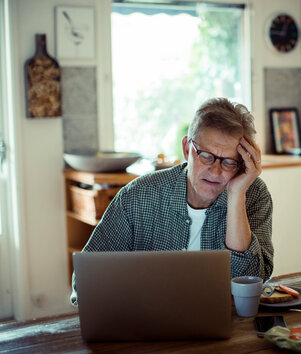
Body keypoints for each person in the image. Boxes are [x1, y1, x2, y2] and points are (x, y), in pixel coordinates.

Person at [70, 97, 273, 305]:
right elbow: (85, 282)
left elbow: (252, 282)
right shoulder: (138, 196)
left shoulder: (254, 195)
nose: (215, 171)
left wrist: (236, 195)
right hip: (143, 326)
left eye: (229, 162)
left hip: (228, 327)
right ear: (187, 149)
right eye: (206, 156)